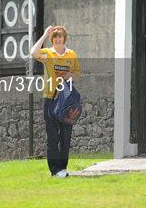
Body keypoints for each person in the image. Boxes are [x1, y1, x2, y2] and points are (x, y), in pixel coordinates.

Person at [31, 25, 81, 178]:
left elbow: (78, 74)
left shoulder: (71, 54)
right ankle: (55, 170)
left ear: (64, 38)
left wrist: (70, 76)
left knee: (66, 135)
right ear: (52, 40)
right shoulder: (48, 54)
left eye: (60, 37)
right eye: (55, 37)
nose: (58, 39)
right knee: (53, 136)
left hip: (67, 100)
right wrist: (45, 34)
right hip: (50, 98)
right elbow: (33, 53)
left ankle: (62, 168)